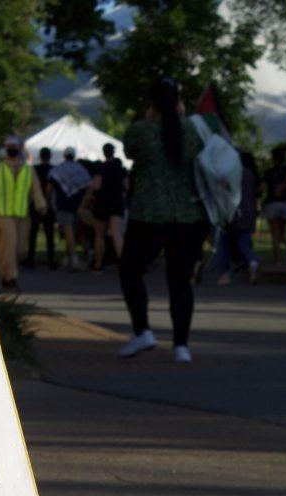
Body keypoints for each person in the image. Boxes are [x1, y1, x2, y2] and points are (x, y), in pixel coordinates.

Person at [115, 77, 209, 364]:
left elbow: (130, 152)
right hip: (187, 216)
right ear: (178, 102)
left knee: (130, 271)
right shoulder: (191, 131)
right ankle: (181, 345)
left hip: (148, 214)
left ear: (152, 102)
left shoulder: (140, 131)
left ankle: (142, 330)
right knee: (180, 281)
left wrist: (149, 118)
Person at [0, 136, 46, 291]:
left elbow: (36, 190)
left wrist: (41, 204)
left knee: (19, 250)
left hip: (22, 216)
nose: (11, 149)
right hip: (4, 215)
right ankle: (10, 278)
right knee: (7, 248)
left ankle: (6, 274)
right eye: (9, 146)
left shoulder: (28, 170)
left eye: (13, 146)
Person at [212, 150, 260, 285]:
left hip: (231, 212)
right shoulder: (249, 174)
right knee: (244, 242)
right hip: (248, 212)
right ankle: (252, 261)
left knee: (225, 244)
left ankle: (225, 274)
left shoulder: (228, 175)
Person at [49, 147, 92, 270]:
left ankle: (73, 258)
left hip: (64, 205)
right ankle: (77, 254)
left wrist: (48, 201)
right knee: (76, 232)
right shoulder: (81, 169)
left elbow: (50, 188)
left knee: (69, 231)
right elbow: (89, 186)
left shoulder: (58, 170)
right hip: (79, 205)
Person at [90, 142, 127, 273]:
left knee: (99, 234)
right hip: (117, 201)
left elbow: (97, 186)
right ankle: (123, 263)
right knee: (117, 234)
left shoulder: (101, 167)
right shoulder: (120, 168)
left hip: (103, 202)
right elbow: (126, 186)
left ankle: (98, 263)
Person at [259, 146, 286, 265]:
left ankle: (277, 259)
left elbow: (262, 188)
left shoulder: (269, 172)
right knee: (282, 232)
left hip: (272, 203)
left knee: (275, 233)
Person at [25, 147, 57, 269]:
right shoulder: (53, 170)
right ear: (50, 156)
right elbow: (51, 188)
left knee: (33, 232)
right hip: (48, 205)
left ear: (40, 156)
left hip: (35, 203)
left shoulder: (34, 170)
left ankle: (31, 258)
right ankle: (51, 259)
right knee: (50, 233)